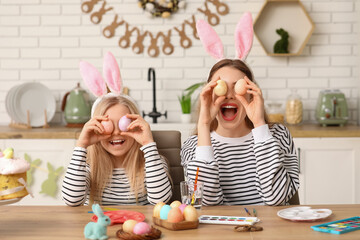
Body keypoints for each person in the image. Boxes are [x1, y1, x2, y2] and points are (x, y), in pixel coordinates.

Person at [180, 13, 299, 206]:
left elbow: (276, 199)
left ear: (251, 94)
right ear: (209, 95)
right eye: (220, 87)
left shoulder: (278, 135)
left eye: (237, 87)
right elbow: (204, 203)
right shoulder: (194, 145)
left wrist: (260, 125)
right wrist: (203, 125)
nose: (228, 95)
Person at [62, 52, 172, 206]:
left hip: (137, 229)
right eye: (108, 125)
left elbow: (160, 200)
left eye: (123, 123)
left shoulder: (152, 162)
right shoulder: (88, 166)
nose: (116, 133)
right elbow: (71, 200)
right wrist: (81, 145)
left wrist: (148, 143)